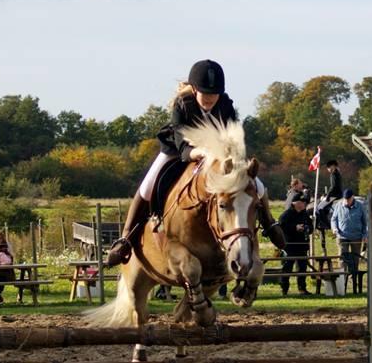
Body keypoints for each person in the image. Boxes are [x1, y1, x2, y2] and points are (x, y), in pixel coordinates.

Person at [106, 59, 284, 266]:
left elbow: (233, 135)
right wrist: (199, 151)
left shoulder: (226, 104)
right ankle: (126, 237)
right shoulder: (182, 104)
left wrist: (230, 156)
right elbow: (182, 144)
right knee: (147, 187)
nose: (210, 98)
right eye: (205, 93)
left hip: (219, 156)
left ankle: (270, 223)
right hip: (178, 151)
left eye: (214, 94)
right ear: (194, 89)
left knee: (258, 186)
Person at [277, 193, 313, 295]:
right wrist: (295, 227)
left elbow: (311, 227)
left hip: (302, 246)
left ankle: (302, 289)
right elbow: (281, 227)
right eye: (301, 202)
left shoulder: (305, 214)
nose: (303, 204)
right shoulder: (286, 215)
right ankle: (284, 289)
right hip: (290, 246)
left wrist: (307, 229)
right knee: (287, 268)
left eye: (304, 202)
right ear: (294, 203)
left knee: (302, 268)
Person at [330, 189, 368, 283]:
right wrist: (334, 228)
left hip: (356, 237)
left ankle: (353, 276)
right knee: (342, 258)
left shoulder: (360, 206)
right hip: (342, 236)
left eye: (348, 199)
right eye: (345, 199)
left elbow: (365, 222)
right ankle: (342, 278)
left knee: (355, 258)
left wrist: (365, 235)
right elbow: (334, 219)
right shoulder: (339, 205)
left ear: (352, 197)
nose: (346, 201)